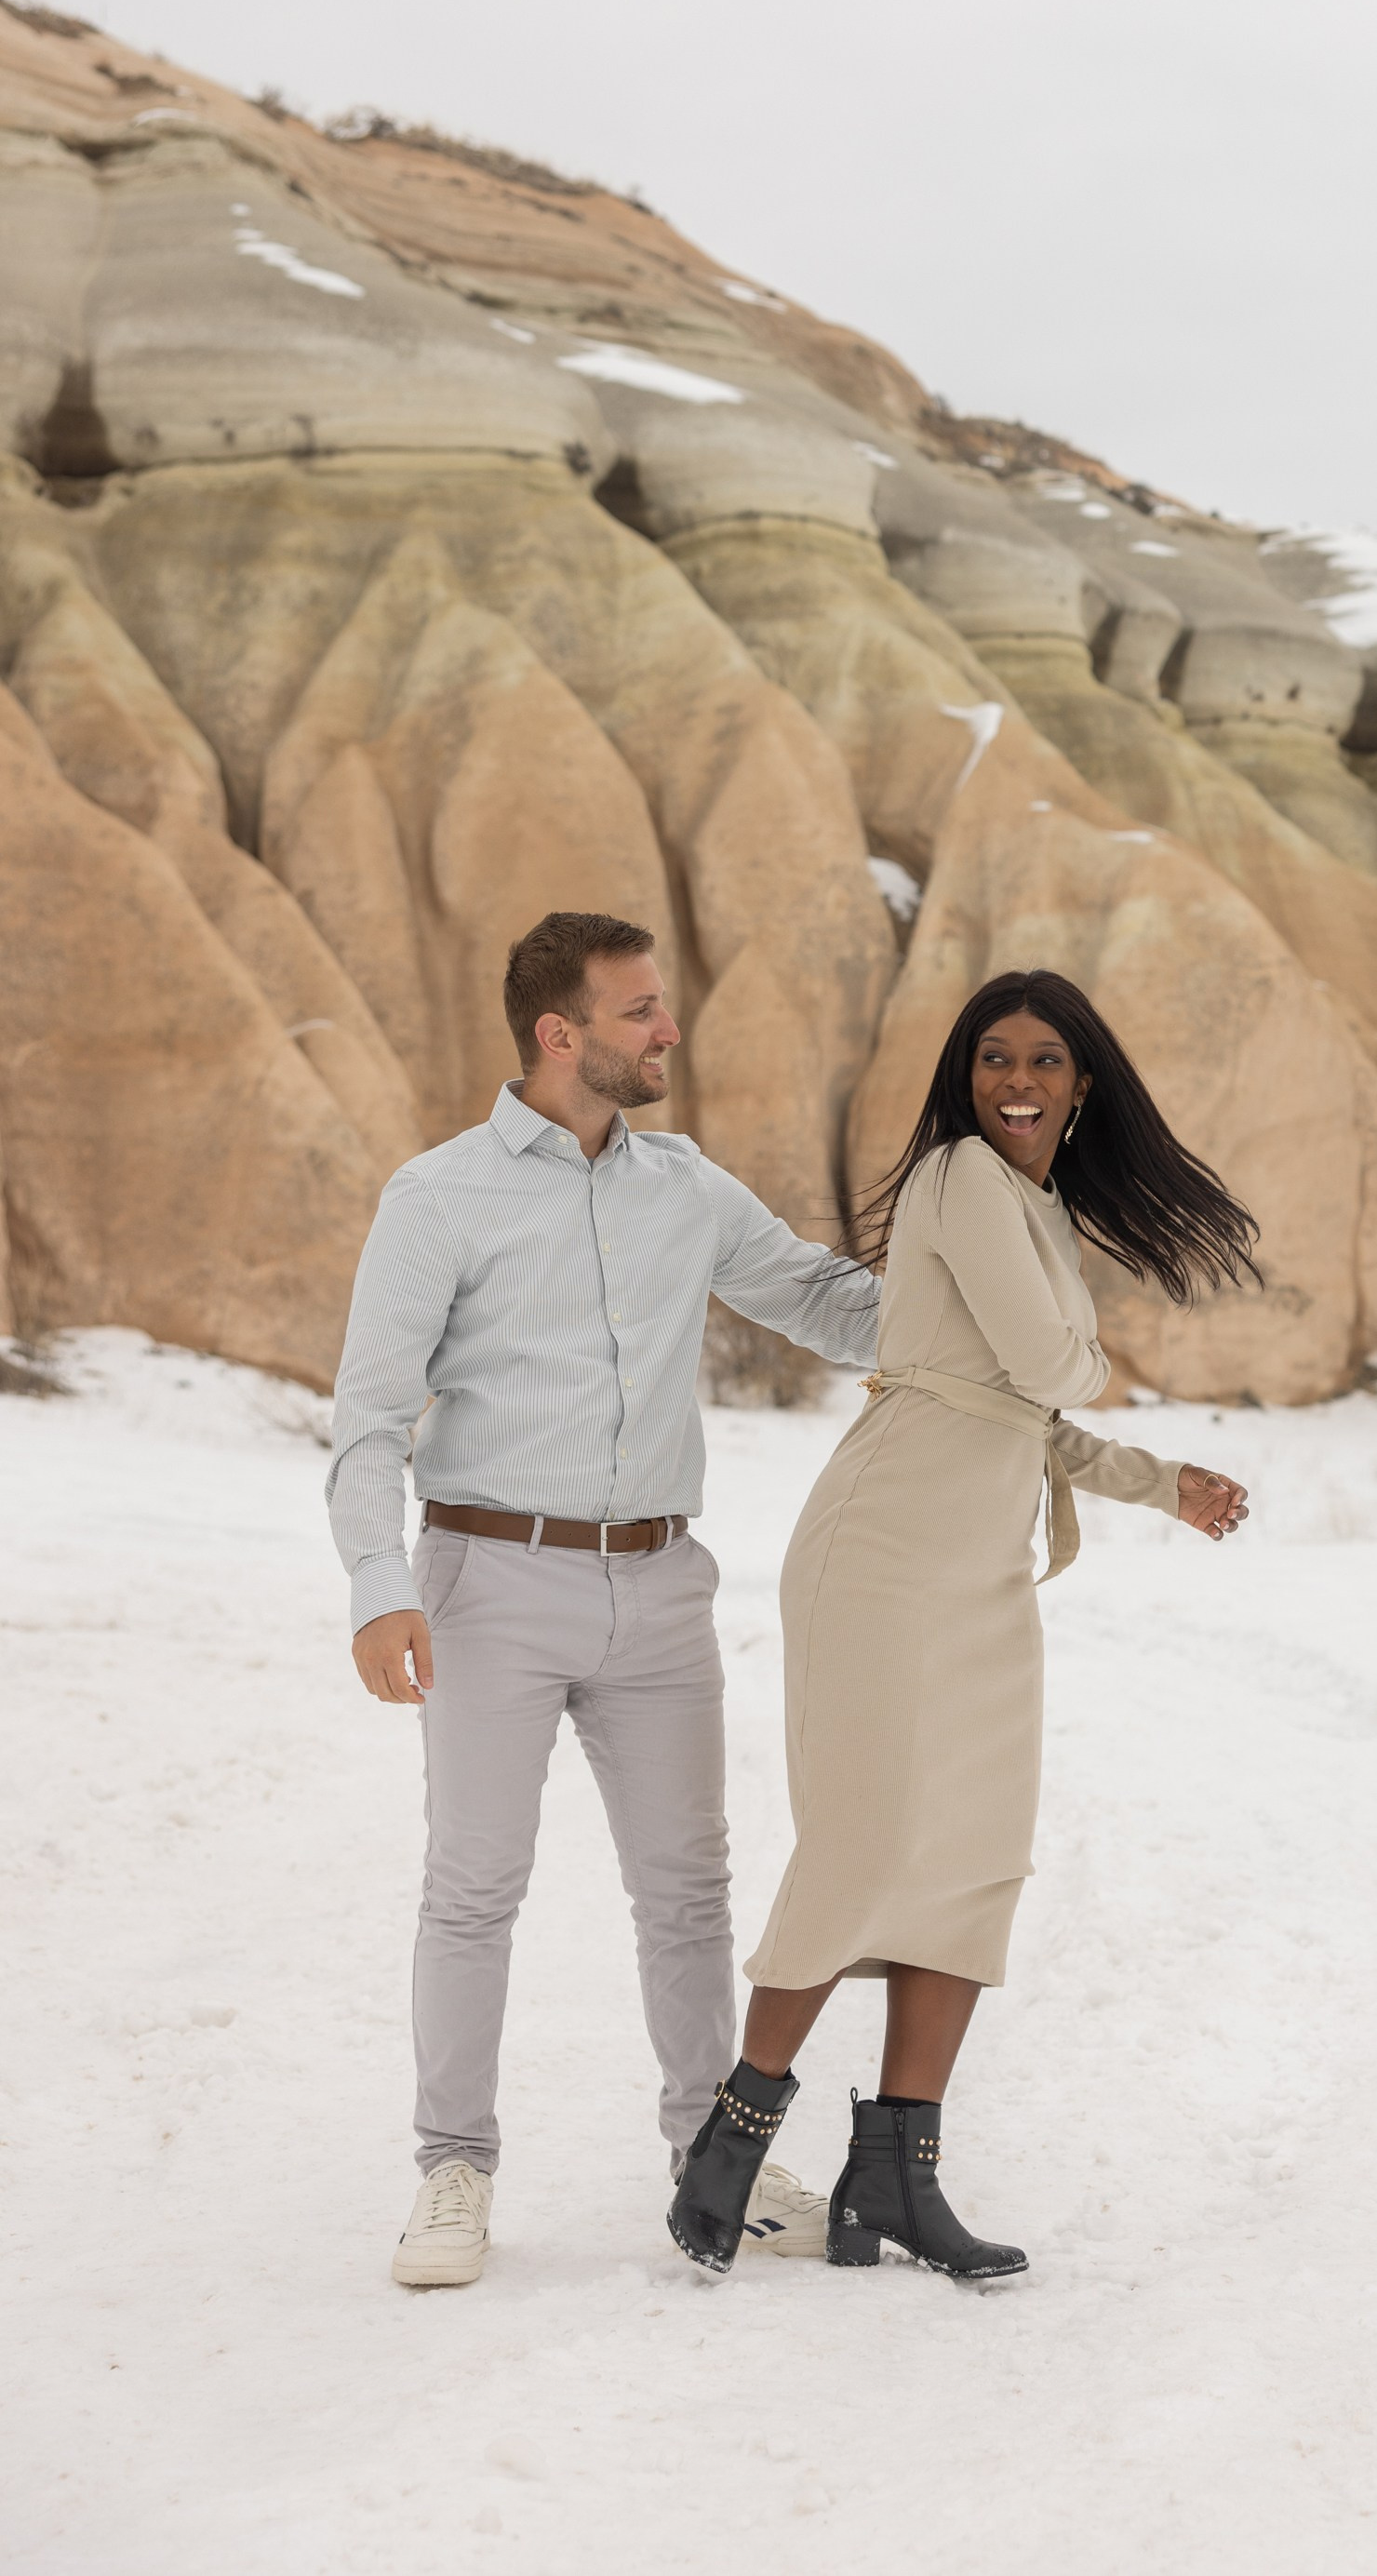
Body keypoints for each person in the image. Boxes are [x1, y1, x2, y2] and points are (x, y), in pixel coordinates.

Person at [670, 968, 1256, 2284]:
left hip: (980, 1568)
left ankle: (893, 2178)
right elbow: (1049, 1371)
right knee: (865, 1842)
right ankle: (733, 2136)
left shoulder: (1038, 1210)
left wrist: (1165, 1484)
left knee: (975, 1861)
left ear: (1082, 1086)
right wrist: (1091, 1360)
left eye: (1045, 1063)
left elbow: (1028, 1414)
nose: (1016, 1085)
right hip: (880, 1552)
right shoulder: (956, 1182)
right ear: (965, 1079)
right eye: (994, 1061)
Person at [328, 909, 880, 2290]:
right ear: (557, 1033)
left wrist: (989, 1273)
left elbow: (820, 1303)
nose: (666, 1031)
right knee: (472, 1891)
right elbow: (367, 1420)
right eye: (638, 1012)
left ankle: (716, 2162)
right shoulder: (438, 1196)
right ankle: (451, 2173)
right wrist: (376, 1586)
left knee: (689, 1893)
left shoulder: (684, 1188)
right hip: (486, 1581)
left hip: (659, 1584)